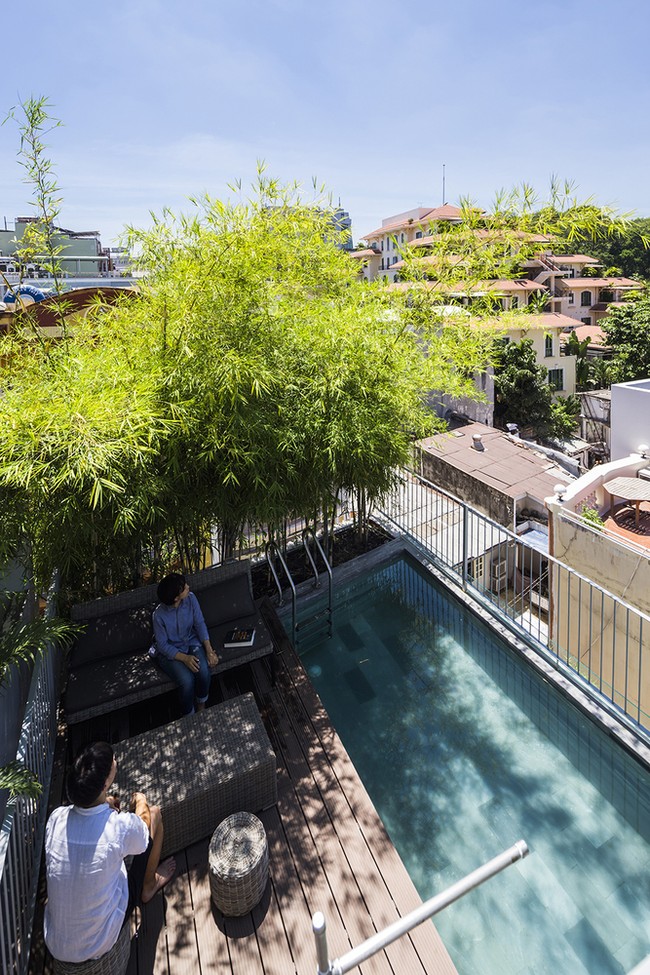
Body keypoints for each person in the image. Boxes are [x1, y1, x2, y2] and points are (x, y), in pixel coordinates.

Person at [44, 741, 175, 965]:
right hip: (99, 941)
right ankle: (148, 885)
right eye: (113, 760)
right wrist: (140, 800)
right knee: (154, 815)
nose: (115, 761)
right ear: (105, 783)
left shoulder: (56, 818)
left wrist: (105, 805)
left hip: (56, 942)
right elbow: (143, 828)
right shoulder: (116, 827)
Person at [152, 572, 219, 715]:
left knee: (203, 670)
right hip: (170, 652)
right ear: (176, 598)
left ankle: (201, 706)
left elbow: (199, 623)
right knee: (187, 680)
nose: (188, 587)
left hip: (190, 642)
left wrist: (209, 650)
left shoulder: (191, 599)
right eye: (184, 587)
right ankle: (189, 716)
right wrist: (185, 658)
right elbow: (162, 645)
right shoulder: (158, 616)